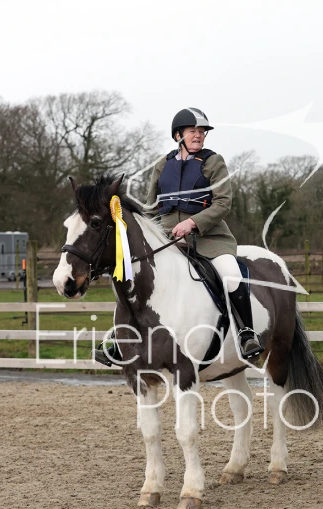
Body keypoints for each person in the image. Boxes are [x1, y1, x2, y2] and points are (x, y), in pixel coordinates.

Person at [95, 107, 264, 365]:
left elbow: (223, 203)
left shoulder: (213, 162)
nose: (198, 135)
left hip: (209, 239)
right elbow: (151, 207)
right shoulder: (163, 165)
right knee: (134, 276)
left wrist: (193, 223)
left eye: (202, 132)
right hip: (166, 239)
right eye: (192, 131)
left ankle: (246, 334)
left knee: (230, 273)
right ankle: (121, 339)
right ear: (178, 135)